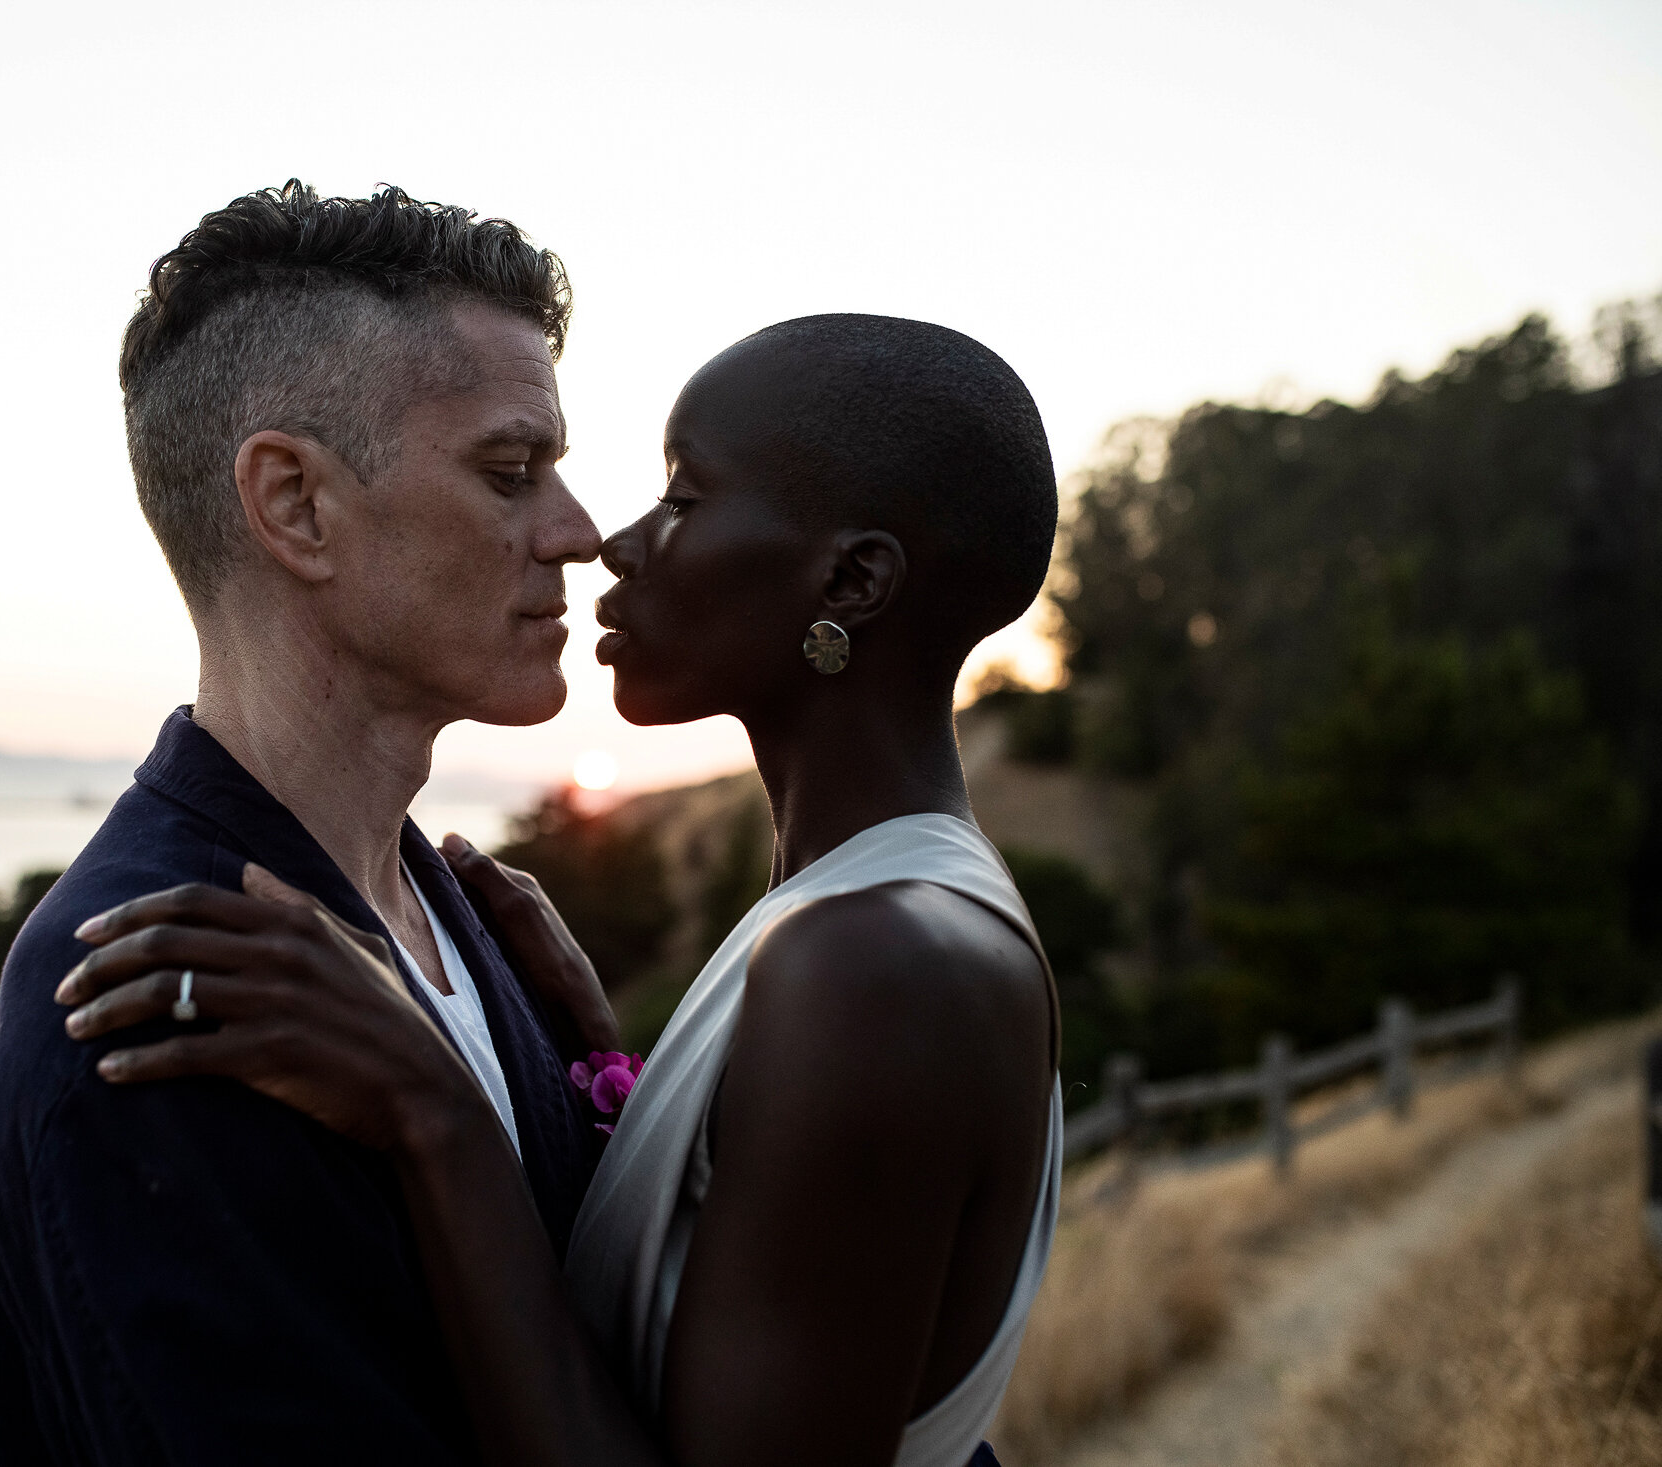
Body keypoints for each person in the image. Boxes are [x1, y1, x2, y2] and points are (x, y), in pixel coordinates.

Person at [58, 313, 1065, 1467]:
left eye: (683, 501)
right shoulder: (862, 909)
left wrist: (432, 1112)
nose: (611, 543)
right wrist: (610, 1074)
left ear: (850, 578)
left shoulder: (875, 963)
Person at [0, 181, 615, 1466]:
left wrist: (602, 1078)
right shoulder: (161, 991)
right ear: (297, 505)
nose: (578, 533)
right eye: (508, 471)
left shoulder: (463, 917)